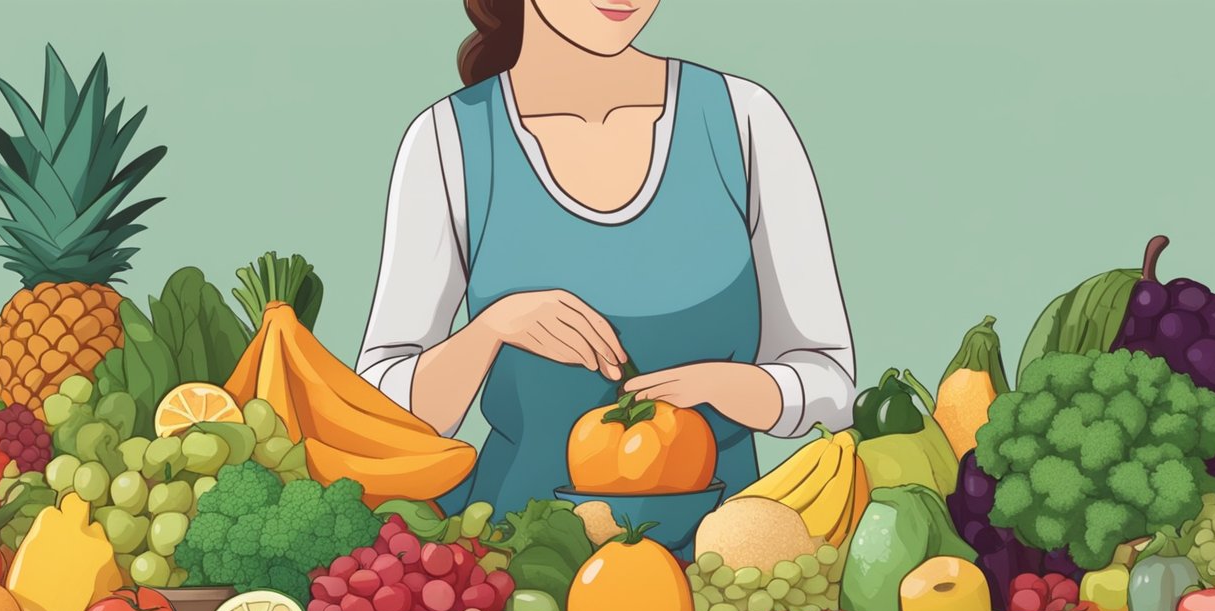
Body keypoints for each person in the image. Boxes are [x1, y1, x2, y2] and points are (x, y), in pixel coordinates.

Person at [358, 0, 856, 514]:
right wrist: (491, 330)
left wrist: (742, 388)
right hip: (515, 562)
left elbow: (832, 385)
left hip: (718, 562)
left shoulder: (744, 117)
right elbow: (376, 413)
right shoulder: (447, 139)